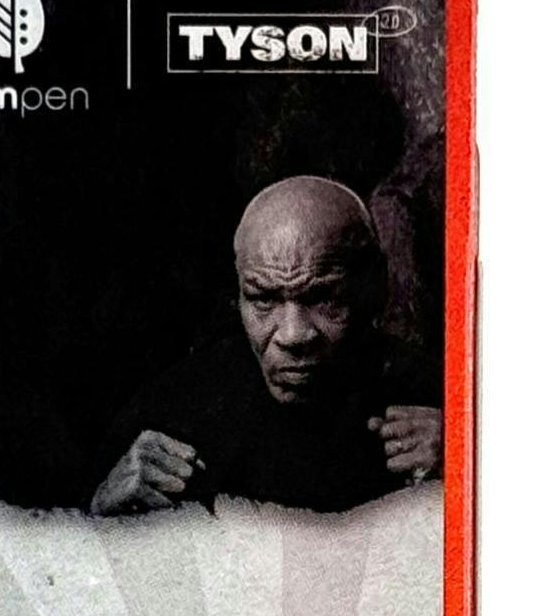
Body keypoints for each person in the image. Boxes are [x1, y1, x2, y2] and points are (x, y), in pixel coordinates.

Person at [89, 176, 441, 516]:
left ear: (375, 287)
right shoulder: (176, 408)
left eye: (323, 298)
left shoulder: (438, 400)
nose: (293, 335)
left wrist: (463, 477)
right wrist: (103, 512)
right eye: (263, 299)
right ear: (239, 293)